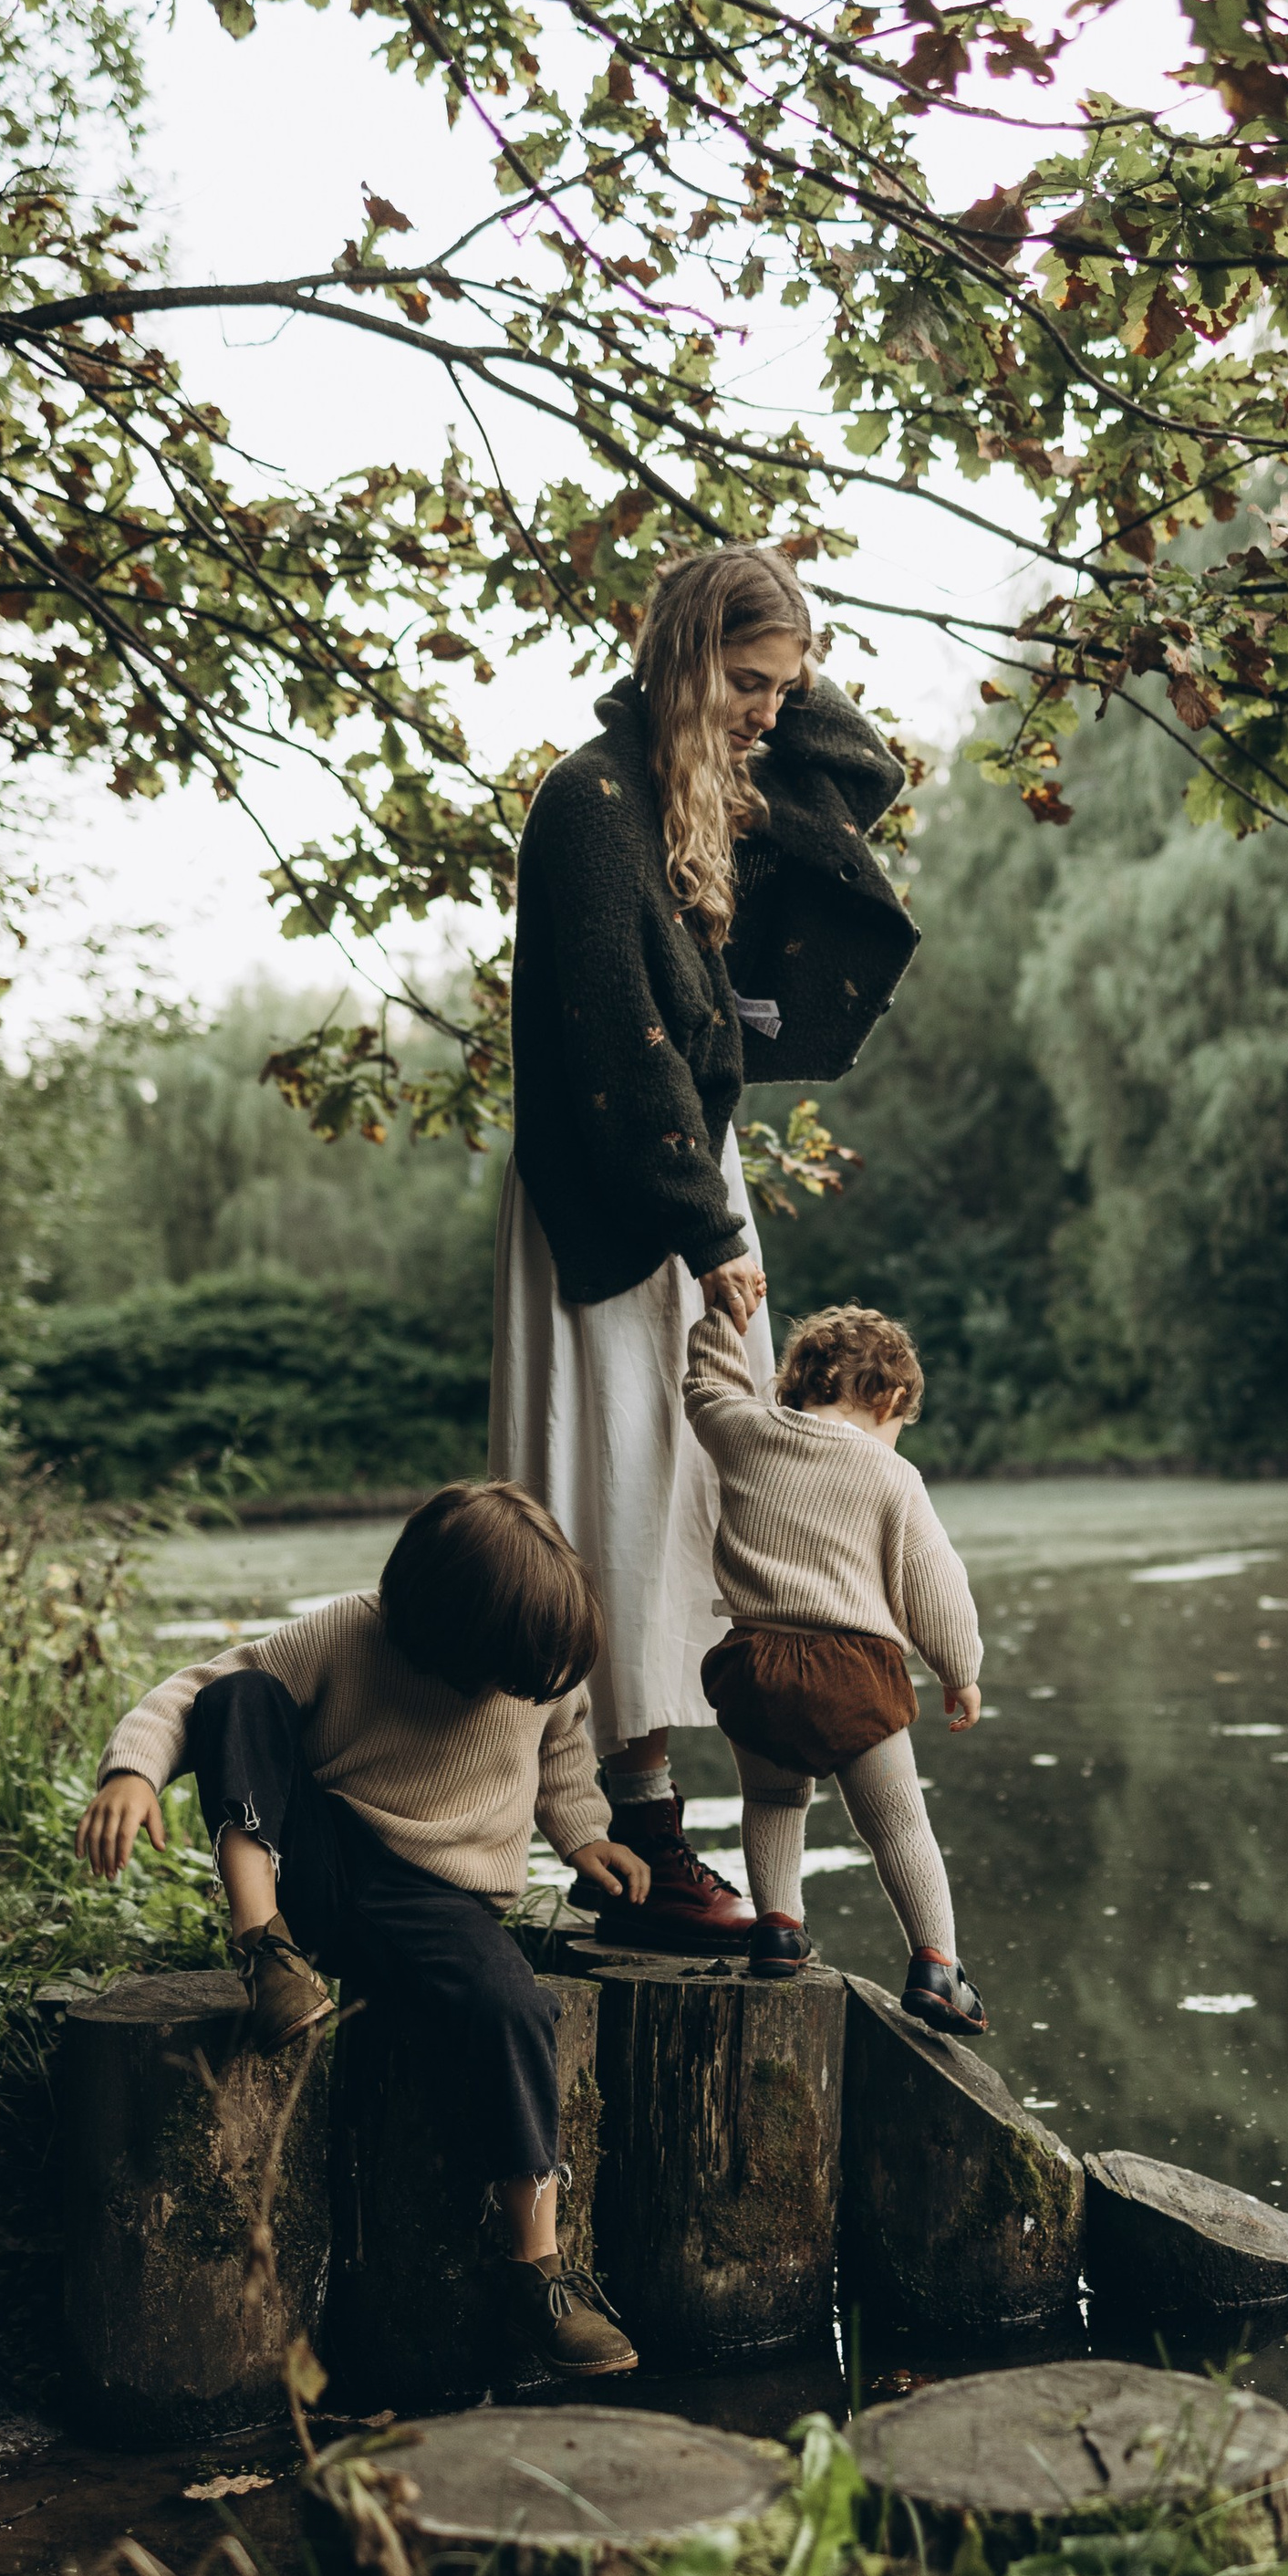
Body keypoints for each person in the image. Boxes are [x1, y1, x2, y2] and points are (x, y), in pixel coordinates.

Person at [491, 541, 919, 1942]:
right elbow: (618, 1040)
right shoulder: (591, 805)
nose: (769, 716)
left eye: (779, 690)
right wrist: (706, 1225)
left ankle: (655, 1826)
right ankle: (632, 1834)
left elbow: (860, 770)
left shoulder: (709, 787)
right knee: (613, 1486)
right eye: (742, 683)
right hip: (621, 1192)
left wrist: (780, 669)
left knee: (694, 1488)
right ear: (678, 663)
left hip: (689, 1172)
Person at [74, 1481, 649, 2381]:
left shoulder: (539, 1659)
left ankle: (535, 2270)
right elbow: (191, 1693)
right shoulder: (351, 1632)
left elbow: (562, 1753)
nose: (513, 1691)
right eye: (495, 1673)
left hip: (441, 1903)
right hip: (321, 1868)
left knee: (517, 2010)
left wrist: (584, 1837)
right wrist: (132, 1774)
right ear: (441, 1630)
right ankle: (266, 1951)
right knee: (240, 1699)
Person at [682, 1298, 991, 2032]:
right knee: (898, 1828)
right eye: (898, 1426)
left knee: (774, 1802)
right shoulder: (893, 1480)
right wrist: (961, 1669)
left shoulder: (746, 1432)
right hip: (851, 1679)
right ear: (888, 1398)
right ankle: (937, 1967)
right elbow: (935, 1586)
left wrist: (720, 1314)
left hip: (754, 1668)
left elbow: (706, 1387)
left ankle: (779, 1930)